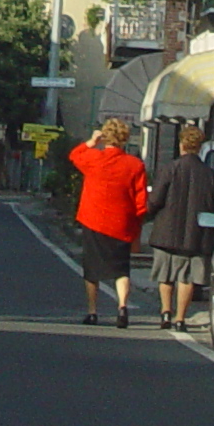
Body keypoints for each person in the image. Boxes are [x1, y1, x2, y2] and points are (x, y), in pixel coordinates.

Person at [66, 117, 148, 328]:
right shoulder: (135, 165)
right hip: (121, 222)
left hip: (93, 219)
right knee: (121, 269)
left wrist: (92, 142)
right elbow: (140, 201)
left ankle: (92, 311)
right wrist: (137, 227)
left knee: (92, 268)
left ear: (105, 137)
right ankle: (122, 306)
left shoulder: (94, 159)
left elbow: (75, 155)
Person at [145, 123, 214, 331]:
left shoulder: (170, 169)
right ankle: (180, 318)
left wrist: (147, 214)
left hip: (166, 231)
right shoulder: (209, 174)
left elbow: (155, 199)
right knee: (187, 277)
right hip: (195, 234)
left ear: (182, 145)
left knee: (165, 274)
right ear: (199, 146)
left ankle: (165, 312)